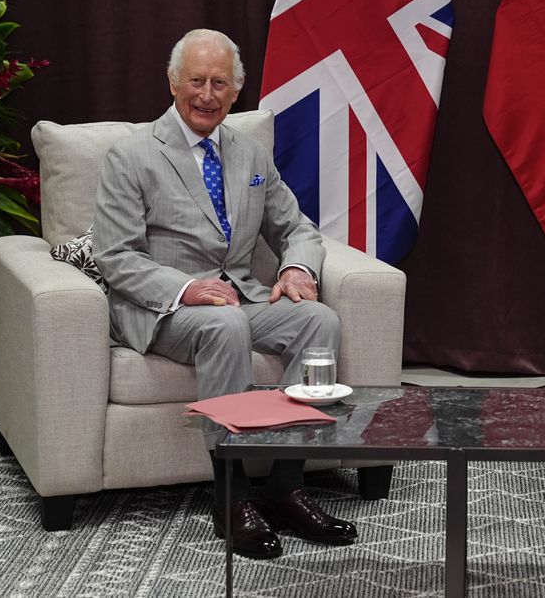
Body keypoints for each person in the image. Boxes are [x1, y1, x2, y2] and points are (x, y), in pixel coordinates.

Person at [92, 29, 356, 560]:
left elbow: (297, 228)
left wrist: (298, 268)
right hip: (163, 308)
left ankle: (285, 488)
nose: (206, 95)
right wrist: (187, 288)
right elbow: (115, 256)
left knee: (318, 320)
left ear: (237, 91)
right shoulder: (131, 155)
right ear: (173, 82)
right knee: (225, 325)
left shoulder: (250, 153)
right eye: (196, 81)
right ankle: (231, 498)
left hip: (240, 298)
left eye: (219, 83)